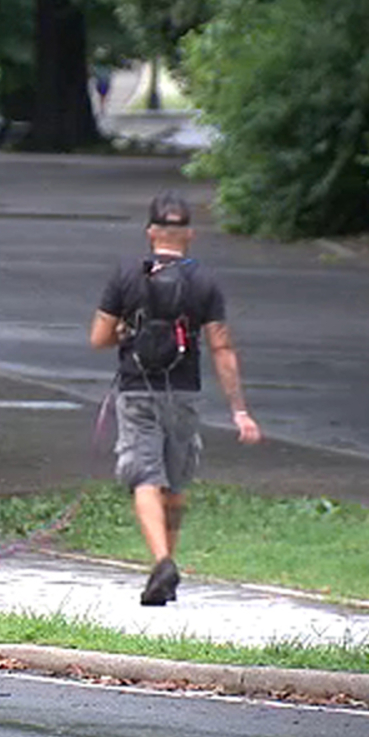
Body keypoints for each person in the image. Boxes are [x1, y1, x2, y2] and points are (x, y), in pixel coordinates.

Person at [89, 192, 262, 606]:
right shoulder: (204, 282)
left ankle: (162, 560)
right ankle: (167, 563)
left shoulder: (126, 276)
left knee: (144, 476)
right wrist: (240, 410)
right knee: (176, 480)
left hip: (136, 389)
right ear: (189, 234)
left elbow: (98, 338)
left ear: (151, 233)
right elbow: (222, 348)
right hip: (183, 391)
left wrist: (130, 332)